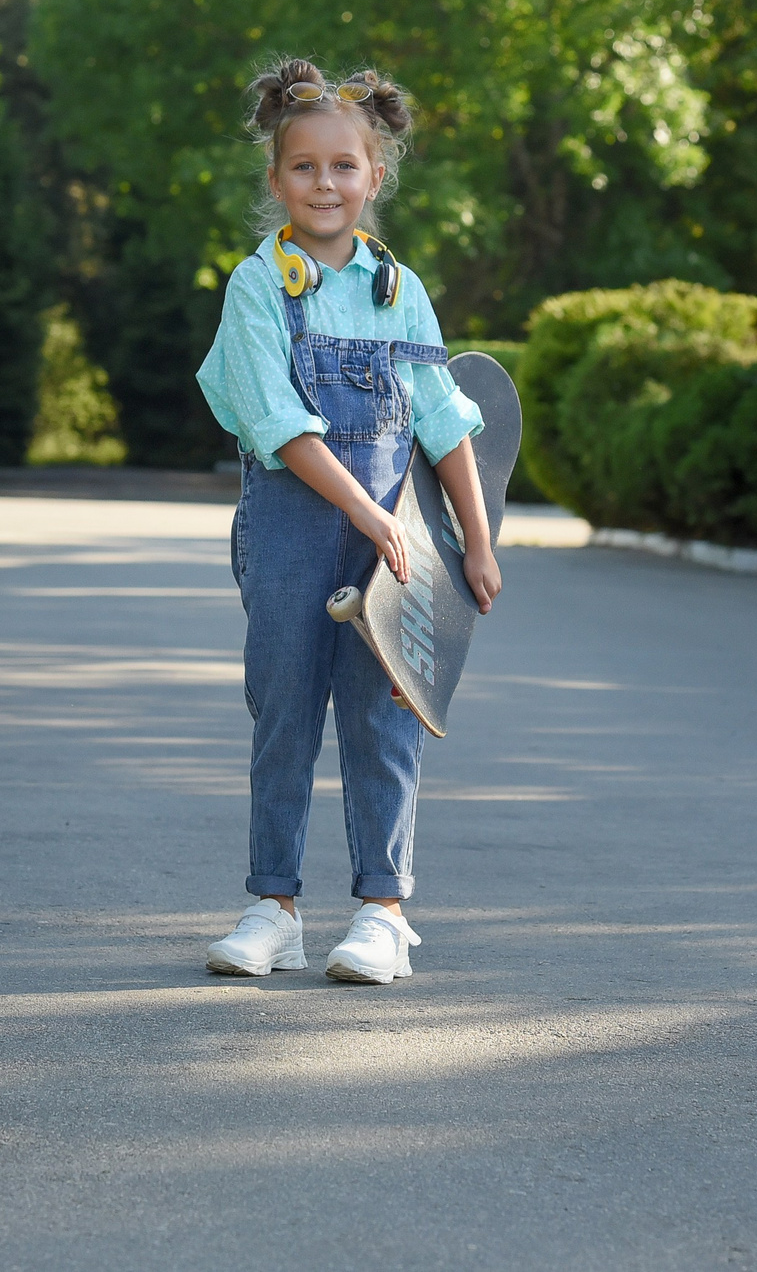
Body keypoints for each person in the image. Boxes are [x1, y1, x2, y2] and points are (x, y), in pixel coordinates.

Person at [194, 58, 503, 985]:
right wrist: (370, 514)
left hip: (393, 545)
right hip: (293, 531)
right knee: (284, 710)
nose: (323, 184)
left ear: (375, 176)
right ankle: (272, 908)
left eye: (343, 167)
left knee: (384, 715)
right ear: (276, 177)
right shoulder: (260, 286)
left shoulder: (397, 290)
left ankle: (382, 910)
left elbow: (445, 421)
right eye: (303, 168)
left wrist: (476, 543)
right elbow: (280, 424)